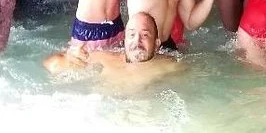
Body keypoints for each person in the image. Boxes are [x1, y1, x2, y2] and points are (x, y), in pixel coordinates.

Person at [43, 12, 181, 90]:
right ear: (124, 41)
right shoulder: (106, 58)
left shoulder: (170, 66)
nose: (137, 41)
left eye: (145, 35)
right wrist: (70, 58)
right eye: (131, 35)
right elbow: (50, 64)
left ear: (156, 44)